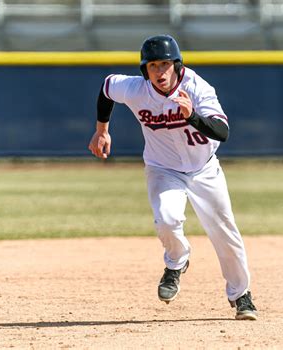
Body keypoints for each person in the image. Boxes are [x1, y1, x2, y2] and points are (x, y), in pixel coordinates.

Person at [88, 34, 257, 320]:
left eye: (165, 64)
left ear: (177, 65)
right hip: (163, 169)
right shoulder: (135, 89)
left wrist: (192, 116)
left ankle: (241, 295)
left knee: (225, 233)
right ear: (144, 70)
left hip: (204, 168)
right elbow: (106, 89)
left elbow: (222, 132)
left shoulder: (197, 88)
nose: (159, 71)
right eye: (152, 65)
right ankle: (177, 261)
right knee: (167, 219)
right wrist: (102, 130)